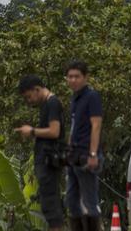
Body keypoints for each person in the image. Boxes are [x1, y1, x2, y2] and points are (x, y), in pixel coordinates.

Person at [15, 74, 64, 231]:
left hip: (49, 160)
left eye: (29, 97)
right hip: (45, 160)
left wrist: (32, 131)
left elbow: (55, 131)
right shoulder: (46, 105)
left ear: (37, 89)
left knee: (50, 202)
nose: (29, 101)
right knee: (47, 201)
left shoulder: (53, 103)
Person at [65, 60, 103, 231]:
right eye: (70, 77)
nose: (73, 80)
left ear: (85, 77)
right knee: (71, 201)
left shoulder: (91, 97)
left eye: (77, 76)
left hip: (87, 156)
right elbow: (74, 127)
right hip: (74, 156)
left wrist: (93, 154)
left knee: (89, 201)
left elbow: (96, 124)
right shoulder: (75, 98)